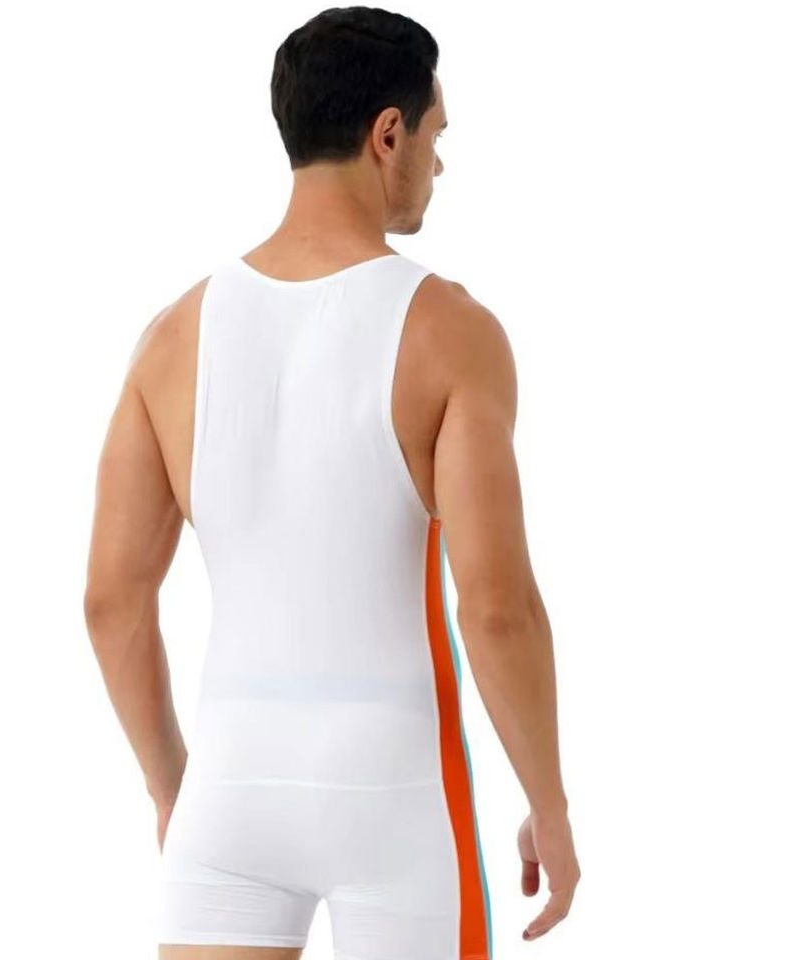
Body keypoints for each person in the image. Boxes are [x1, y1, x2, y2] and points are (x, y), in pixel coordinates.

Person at [83, 7, 580, 959]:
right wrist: (548, 803)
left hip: (230, 792)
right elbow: (497, 608)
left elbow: (112, 601)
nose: (439, 163)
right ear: (388, 134)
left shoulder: (171, 338)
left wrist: (174, 789)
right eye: (435, 136)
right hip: (395, 790)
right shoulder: (450, 331)